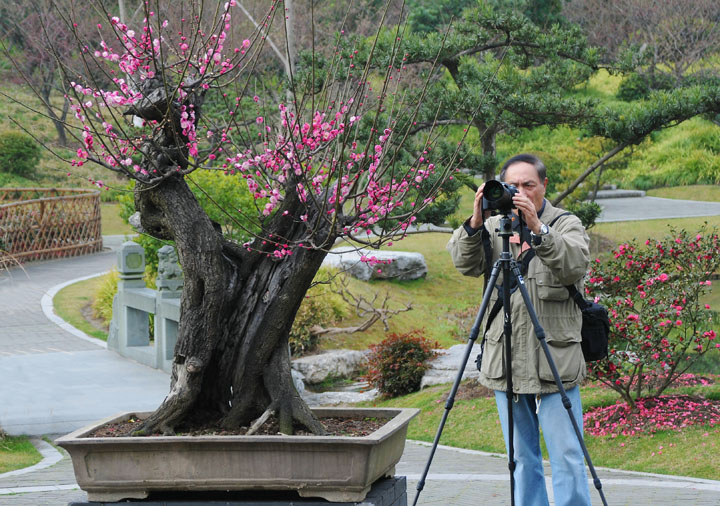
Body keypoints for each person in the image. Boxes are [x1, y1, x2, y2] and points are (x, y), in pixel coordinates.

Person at [446, 153, 592, 506]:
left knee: (567, 456)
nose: (522, 191)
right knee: (522, 460)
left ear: (544, 186)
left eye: (530, 185)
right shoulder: (495, 228)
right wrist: (475, 221)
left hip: (555, 359)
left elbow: (574, 265)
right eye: (515, 186)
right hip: (506, 358)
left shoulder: (566, 223)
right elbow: (463, 262)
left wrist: (539, 231)